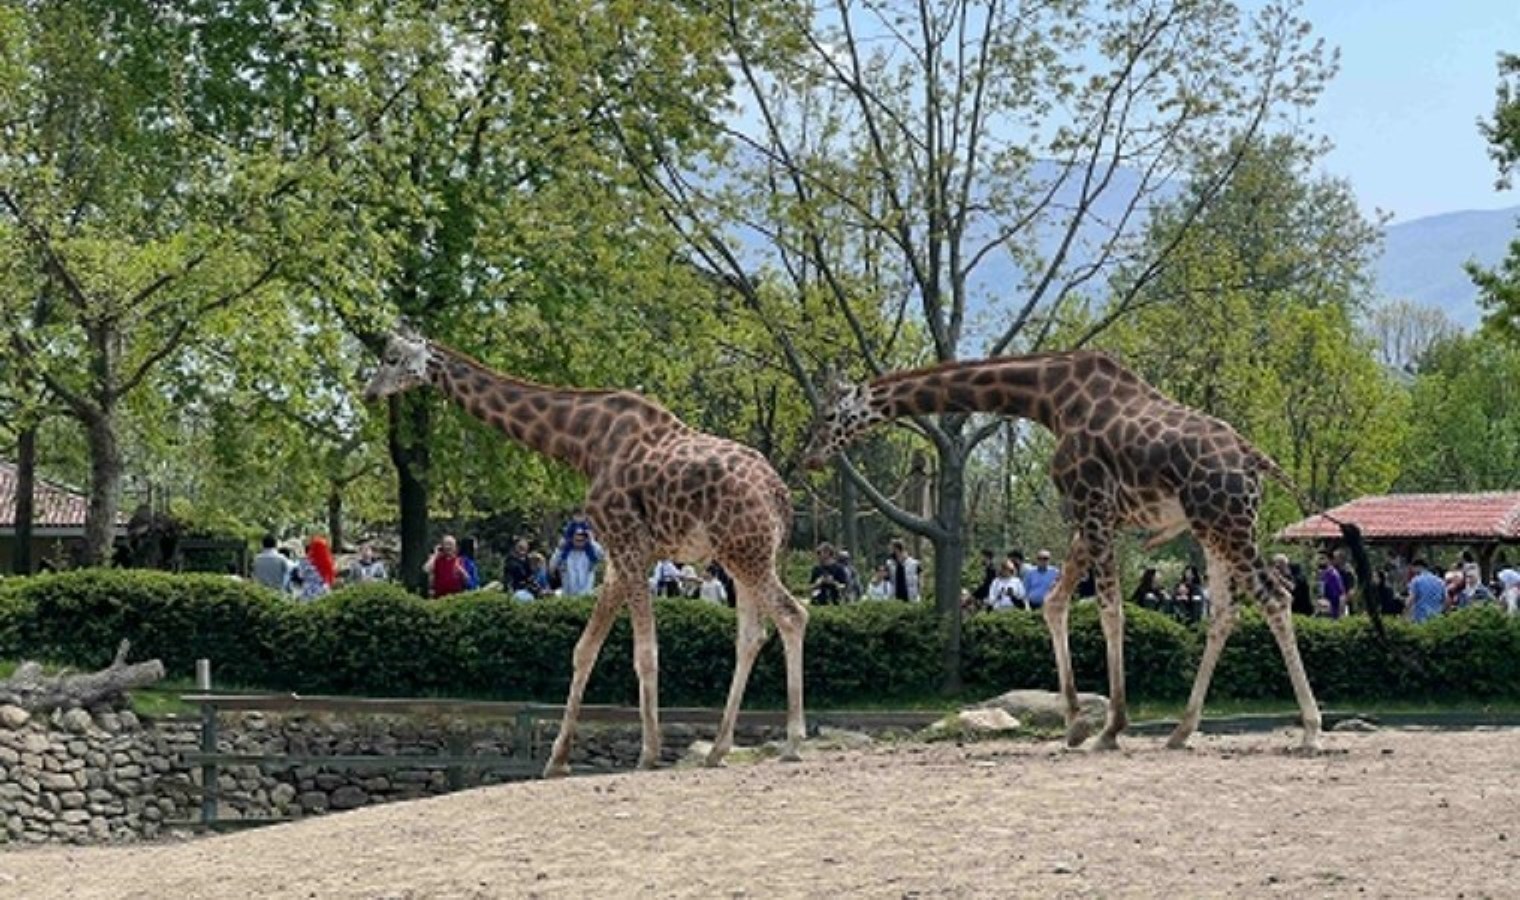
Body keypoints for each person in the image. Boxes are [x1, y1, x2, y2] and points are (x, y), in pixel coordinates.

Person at [549, 521, 604, 596]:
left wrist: (592, 541)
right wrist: (559, 549)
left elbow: (603, 556)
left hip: (586, 596)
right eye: (577, 538)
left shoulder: (592, 553)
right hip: (568, 597)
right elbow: (552, 567)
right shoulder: (563, 553)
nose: (580, 540)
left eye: (583, 538)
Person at [424, 534, 471, 599]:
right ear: (442, 546)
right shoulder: (437, 560)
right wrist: (435, 554)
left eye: (451, 544)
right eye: (446, 544)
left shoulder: (461, 560)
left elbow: (468, 580)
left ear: (455, 547)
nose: (448, 547)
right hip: (440, 597)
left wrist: (460, 569)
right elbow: (426, 569)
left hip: (456, 597)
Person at [295, 536, 336, 601]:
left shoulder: (305, 561)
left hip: (308, 593)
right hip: (324, 593)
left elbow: (300, 575)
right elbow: (331, 579)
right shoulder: (329, 562)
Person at [1407, 558, 1447, 623]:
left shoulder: (1416, 580)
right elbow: (1446, 600)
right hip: (1437, 618)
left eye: (1413, 569)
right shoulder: (1440, 581)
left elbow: (1411, 598)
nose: (1413, 571)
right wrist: (1442, 612)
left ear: (1419, 567)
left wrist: (1405, 611)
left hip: (1421, 618)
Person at [1316, 552, 1345, 619]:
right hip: (1328, 605)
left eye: (1323, 558)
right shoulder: (1327, 573)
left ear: (1329, 560)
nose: (1321, 561)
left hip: (1332, 605)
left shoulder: (1332, 574)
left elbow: (1340, 592)